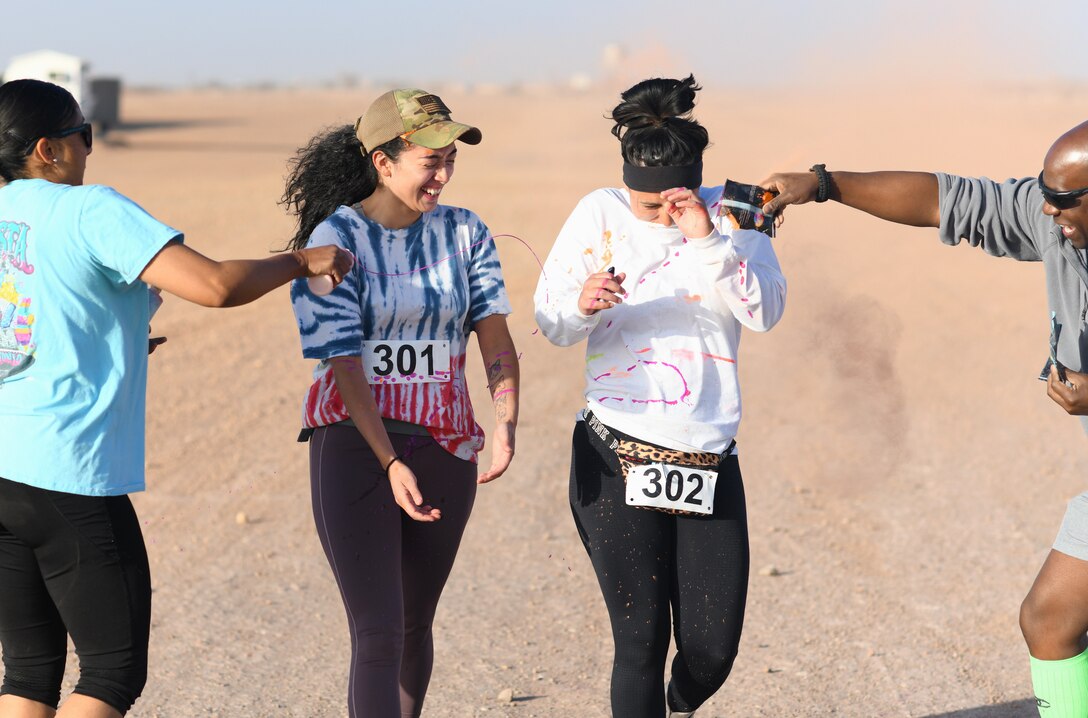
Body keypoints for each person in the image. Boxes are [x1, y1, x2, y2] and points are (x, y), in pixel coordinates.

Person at [0, 79, 351, 718]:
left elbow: (28, 325)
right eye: (83, 133)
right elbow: (214, 285)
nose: (90, 146)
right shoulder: (87, 210)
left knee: (28, 672)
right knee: (110, 673)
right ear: (48, 149)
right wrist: (302, 260)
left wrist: (121, 342)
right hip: (67, 473)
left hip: (3, 471)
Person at [759, 125, 1088, 717]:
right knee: (1050, 618)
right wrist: (823, 184)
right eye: (1045, 191)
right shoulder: (1059, 227)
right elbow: (947, 199)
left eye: (1064, 198)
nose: (1047, 207)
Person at [533, 75, 787, 718]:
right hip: (616, 450)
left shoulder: (741, 212)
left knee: (710, 652)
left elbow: (765, 313)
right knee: (640, 643)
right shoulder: (598, 211)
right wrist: (580, 304)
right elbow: (551, 321)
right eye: (641, 205)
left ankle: (681, 704)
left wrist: (706, 240)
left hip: (707, 457)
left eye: (665, 204)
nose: (653, 216)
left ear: (693, 183)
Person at [283, 88, 519, 718]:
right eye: (429, 159)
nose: (442, 173)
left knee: (416, 624)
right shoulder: (334, 239)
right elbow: (344, 363)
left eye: (449, 159)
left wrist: (504, 420)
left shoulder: (466, 231)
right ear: (383, 163)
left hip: (445, 445)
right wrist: (389, 461)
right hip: (358, 447)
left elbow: (493, 331)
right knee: (380, 630)